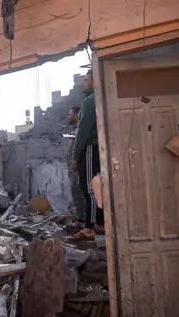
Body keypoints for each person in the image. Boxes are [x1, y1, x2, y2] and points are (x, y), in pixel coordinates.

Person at [69, 69, 104, 241]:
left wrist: (75, 157)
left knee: (89, 189)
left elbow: (82, 132)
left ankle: (89, 228)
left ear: (94, 81)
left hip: (90, 148)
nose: (83, 82)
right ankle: (99, 222)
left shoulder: (90, 102)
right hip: (96, 149)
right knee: (95, 188)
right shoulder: (98, 99)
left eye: (86, 79)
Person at [67, 106, 85, 225]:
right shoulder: (75, 130)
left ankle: (83, 220)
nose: (68, 117)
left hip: (78, 169)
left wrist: (75, 162)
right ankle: (81, 219)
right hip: (74, 169)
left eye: (70, 114)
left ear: (77, 115)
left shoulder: (80, 130)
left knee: (79, 194)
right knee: (76, 193)